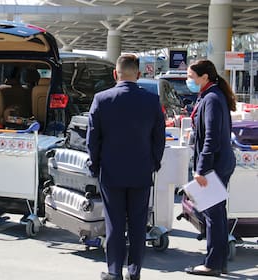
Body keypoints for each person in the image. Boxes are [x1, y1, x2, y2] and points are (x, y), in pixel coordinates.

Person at [86, 54, 165, 280]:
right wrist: (154, 163)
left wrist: (95, 166)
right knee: (139, 225)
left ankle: (114, 271)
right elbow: (159, 138)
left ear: (115, 74)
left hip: (111, 172)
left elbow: (93, 139)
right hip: (141, 172)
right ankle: (135, 272)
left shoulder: (101, 99)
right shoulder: (151, 101)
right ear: (138, 74)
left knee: (115, 224)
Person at [184, 59, 236, 277]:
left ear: (204, 77)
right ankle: (218, 261)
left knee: (213, 216)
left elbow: (212, 138)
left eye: (191, 77)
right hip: (219, 163)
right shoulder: (212, 96)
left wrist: (201, 169)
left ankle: (213, 263)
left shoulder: (212, 99)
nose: (189, 81)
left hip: (213, 165)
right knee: (216, 214)